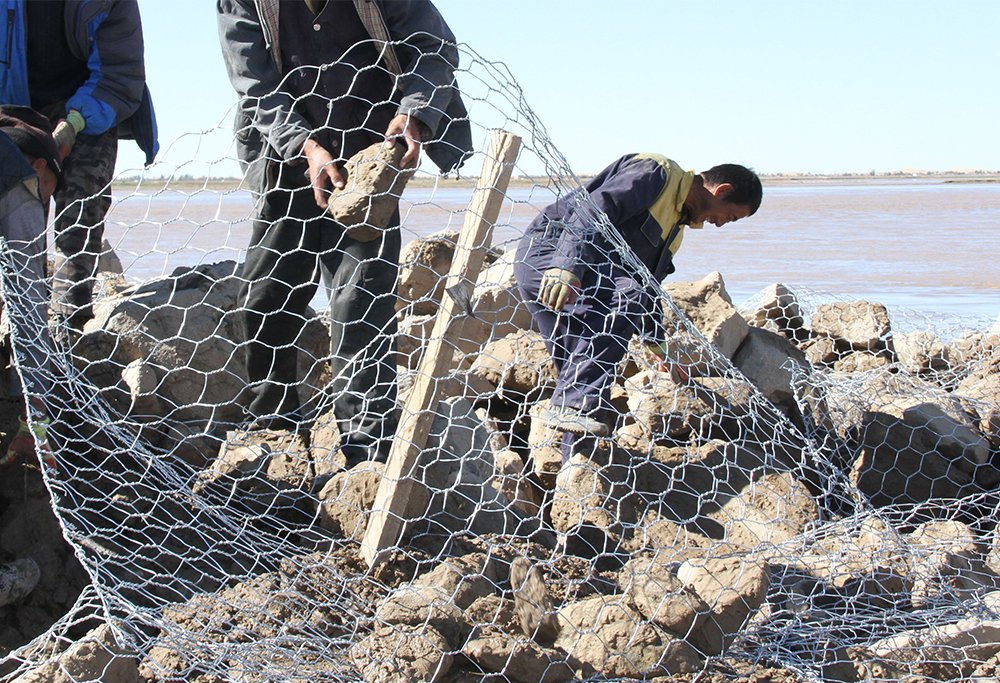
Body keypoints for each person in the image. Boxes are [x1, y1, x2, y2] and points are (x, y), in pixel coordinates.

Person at [216, 0, 472, 466]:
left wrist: (413, 113)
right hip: (286, 160)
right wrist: (305, 147)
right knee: (265, 296)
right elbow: (253, 83)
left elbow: (434, 49)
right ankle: (276, 440)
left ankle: (367, 455)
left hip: (367, 163)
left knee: (360, 304)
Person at [514, 153, 762, 444]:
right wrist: (566, 266)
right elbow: (593, 210)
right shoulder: (657, 173)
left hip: (582, 276)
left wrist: (658, 344)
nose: (719, 225)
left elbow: (646, 286)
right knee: (584, 383)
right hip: (550, 259)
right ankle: (572, 409)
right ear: (721, 191)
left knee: (581, 376)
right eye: (728, 217)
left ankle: (578, 471)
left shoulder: (675, 229)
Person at [0, 0, 158, 337]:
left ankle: (67, 333)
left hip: (85, 109)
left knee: (80, 212)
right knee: (15, 228)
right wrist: (18, 138)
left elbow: (120, 74)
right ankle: (15, 329)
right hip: (9, 112)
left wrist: (71, 125)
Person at [0, 105, 63, 469]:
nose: (45, 205)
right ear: (40, 167)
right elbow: (29, 306)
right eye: (49, 193)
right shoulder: (18, 176)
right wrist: (34, 423)